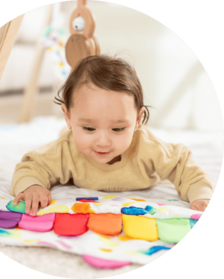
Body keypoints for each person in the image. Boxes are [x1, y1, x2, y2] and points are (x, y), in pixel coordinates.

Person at [11, 54, 214, 216]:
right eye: (89, 129)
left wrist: (201, 195)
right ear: (68, 117)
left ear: (137, 120)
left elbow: (183, 166)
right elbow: (30, 166)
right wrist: (32, 186)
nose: (103, 142)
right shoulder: (66, 149)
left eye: (118, 129)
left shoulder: (148, 147)